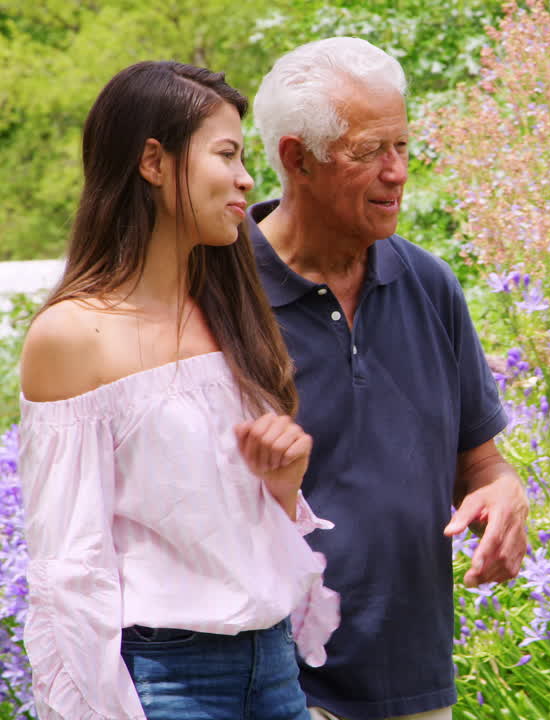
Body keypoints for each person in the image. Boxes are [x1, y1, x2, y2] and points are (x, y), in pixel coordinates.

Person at [18, 61, 338, 720]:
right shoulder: (73, 338)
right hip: (165, 683)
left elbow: (235, 528)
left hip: (272, 669)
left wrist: (282, 481)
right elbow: (69, 570)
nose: (248, 179)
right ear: (154, 163)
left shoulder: (233, 315)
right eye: (227, 154)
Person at [248, 37, 529, 720]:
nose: (397, 172)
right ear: (296, 158)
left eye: (401, 147)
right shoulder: (224, 295)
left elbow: (482, 461)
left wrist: (505, 492)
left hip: (417, 684)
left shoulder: (429, 284)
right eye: (369, 151)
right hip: (275, 688)